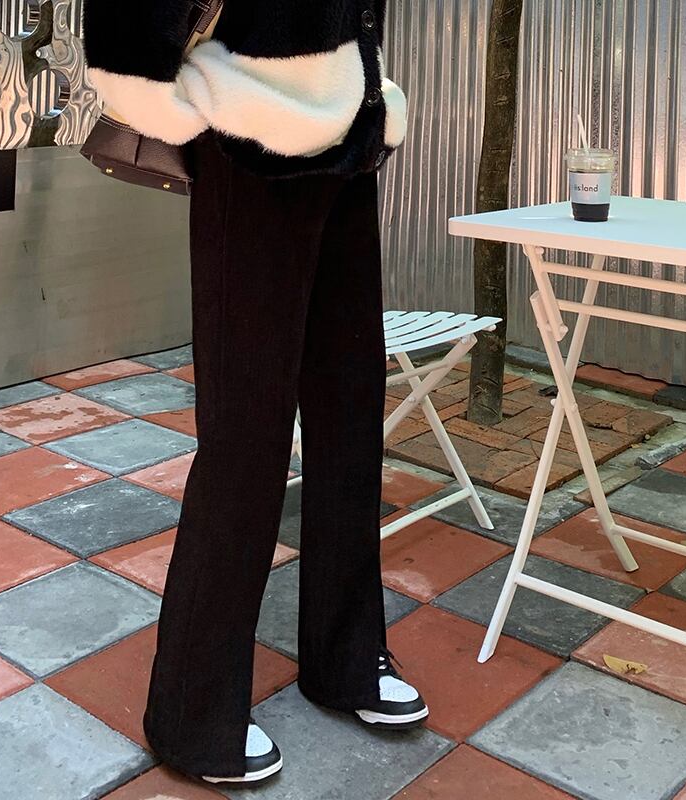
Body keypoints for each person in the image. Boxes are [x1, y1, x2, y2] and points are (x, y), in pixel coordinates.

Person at [82, 0, 428, 784]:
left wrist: (365, 94)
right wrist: (179, 105)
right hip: (249, 145)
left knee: (350, 413)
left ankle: (345, 658)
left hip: (347, 145)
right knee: (246, 433)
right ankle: (193, 711)